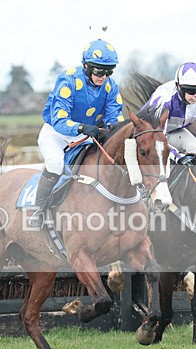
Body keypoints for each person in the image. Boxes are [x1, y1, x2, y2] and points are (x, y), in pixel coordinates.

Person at [29, 39, 125, 227]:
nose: (103, 76)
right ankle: (37, 210)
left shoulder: (110, 87)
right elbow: (59, 119)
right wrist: (81, 128)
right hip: (56, 134)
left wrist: (116, 132)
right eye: (99, 71)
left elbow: (115, 117)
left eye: (108, 71)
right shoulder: (69, 79)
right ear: (86, 66)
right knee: (56, 163)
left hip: (84, 138)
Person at [142, 62, 196, 164]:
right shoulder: (164, 100)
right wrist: (178, 157)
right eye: (191, 91)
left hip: (173, 132)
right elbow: (156, 138)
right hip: (148, 135)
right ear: (179, 87)